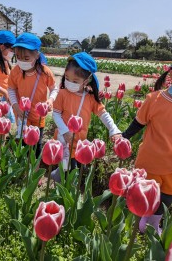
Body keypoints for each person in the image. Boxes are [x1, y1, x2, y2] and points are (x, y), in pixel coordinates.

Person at [51, 52, 121, 181]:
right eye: (67, 78)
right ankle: (58, 188)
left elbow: (103, 114)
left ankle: (61, 186)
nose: (69, 83)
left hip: (79, 142)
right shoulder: (62, 94)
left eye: (75, 81)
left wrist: (113, 129)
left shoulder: (89, 98)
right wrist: (65, 130)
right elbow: (55, 113)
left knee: (72, 171)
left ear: (87, 80)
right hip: (64, 140)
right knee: (67, 170)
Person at [122, 67, 172, 235]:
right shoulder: (154, 99)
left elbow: (138, 122)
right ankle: (135, 225)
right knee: (145, 195)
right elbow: (138, 123)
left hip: (165, 164)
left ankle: (150, 223)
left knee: (166, 196)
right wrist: (125, 137)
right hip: (151, 161)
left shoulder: (155, 99)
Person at [8, 32, 58, 156]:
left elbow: (54, 89)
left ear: (37, 55)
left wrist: (50, 100)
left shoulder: (45, 72)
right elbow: (11, 89)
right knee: (22, 143)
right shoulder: (16, 71)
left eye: (26, 58)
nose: (21, 61)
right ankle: (22, 169)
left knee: (36, 145)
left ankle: (34, 169)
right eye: (18, 57)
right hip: (22, 114)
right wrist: (15, 105)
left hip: (38, 115)